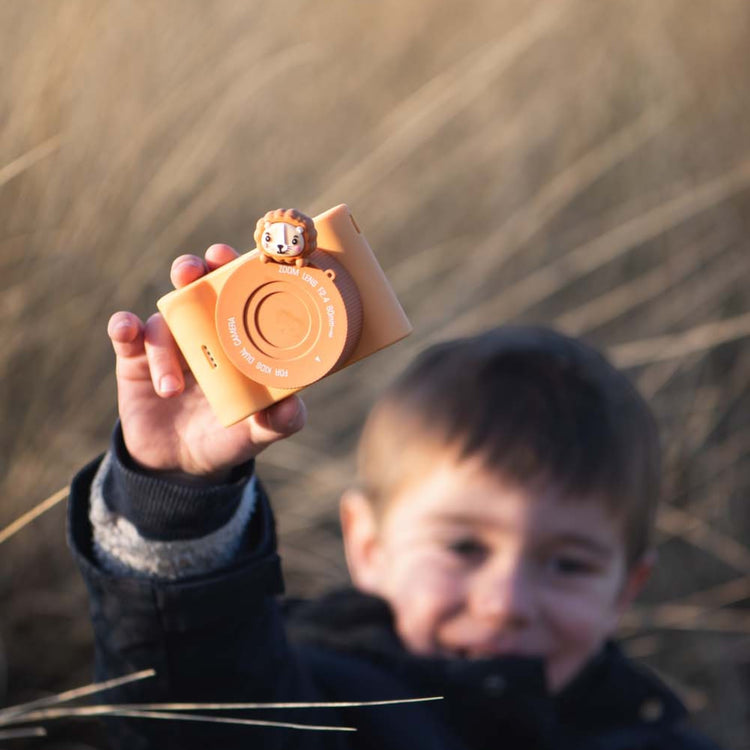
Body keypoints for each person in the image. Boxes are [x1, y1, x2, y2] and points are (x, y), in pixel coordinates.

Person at [69, 244, 719, 750]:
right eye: (465, 546)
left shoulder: (657, 735)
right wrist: (177, 494)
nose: (506, 604)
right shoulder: (318, 707)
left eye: (569, 564)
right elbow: (193, 717)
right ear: (368, 544)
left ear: (626, 590)